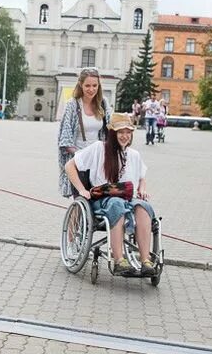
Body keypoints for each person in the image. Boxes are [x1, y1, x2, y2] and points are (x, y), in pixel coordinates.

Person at [64, 113, 156, 277]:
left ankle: (146, 260)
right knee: (116, 204)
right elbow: (69, 166)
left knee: (144, 206)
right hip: (103, 199)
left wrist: (142, 188)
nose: (125, 136)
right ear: (112, 133)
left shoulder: (133, 155)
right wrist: (81, 190)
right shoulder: (99, 148)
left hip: (129, 198)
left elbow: (142, 177)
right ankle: (119, 260)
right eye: (121, 132)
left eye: (128, 132)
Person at [57, 68, 112, 198]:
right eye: (87, 85)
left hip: (98, 158)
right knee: (83, 199)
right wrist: (80, 154)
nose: (91, 89)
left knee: (101, 199)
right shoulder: (73, 105)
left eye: (95, 85)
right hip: (79, 159)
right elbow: (65, 138)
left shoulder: (103, 103)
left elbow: (111, 127)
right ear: (80, 85)